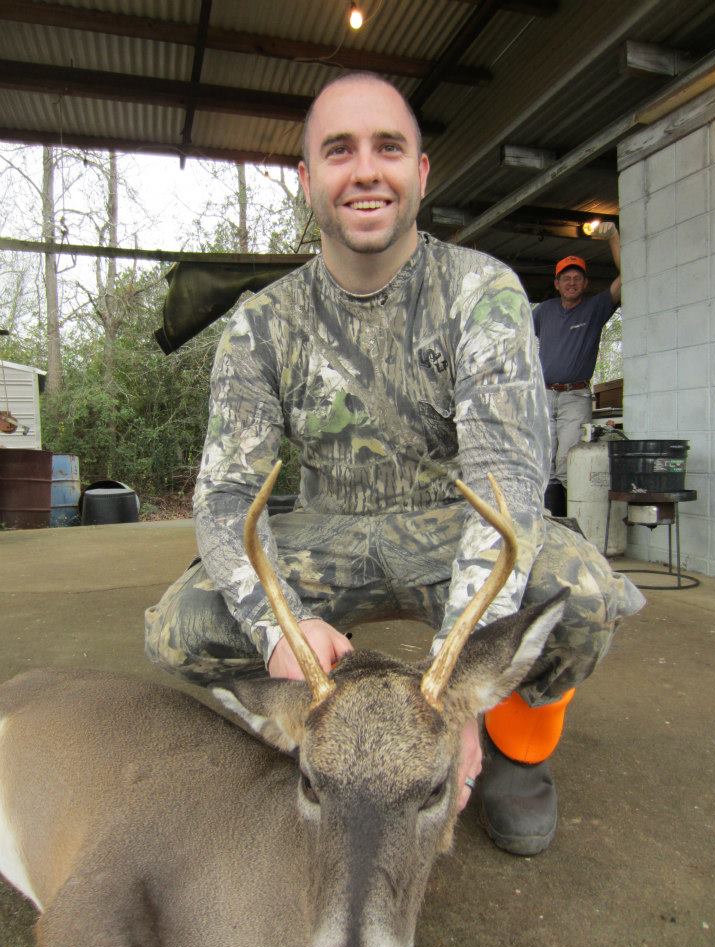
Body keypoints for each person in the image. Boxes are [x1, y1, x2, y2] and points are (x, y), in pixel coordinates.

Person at [145, 72, 643, 856]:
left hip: (451, 525)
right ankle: (323, 729)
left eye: (389, 147)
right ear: (307, 179)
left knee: (580, 596)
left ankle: (518, 747)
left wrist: (461, 698)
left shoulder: (482, 293)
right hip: (326, 532)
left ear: (421, 171)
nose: (366, 171)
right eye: (339, 151)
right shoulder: (262, 324)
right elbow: (227, 495)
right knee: (186, 625)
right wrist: (276, 630)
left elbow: (507, 481)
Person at [533, 228, 621, 516]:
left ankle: (576, 523)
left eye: (577, 278)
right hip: (545, 395)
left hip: (575, 396)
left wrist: (613, 237)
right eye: (566, 278)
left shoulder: (595, 308)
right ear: (557, 284)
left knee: (567, 463)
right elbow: (516, 336)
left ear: (585, 283)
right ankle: (550, 524)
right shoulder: (543, 311)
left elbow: (628, 276)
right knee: (543, 461)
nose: (571, 283)